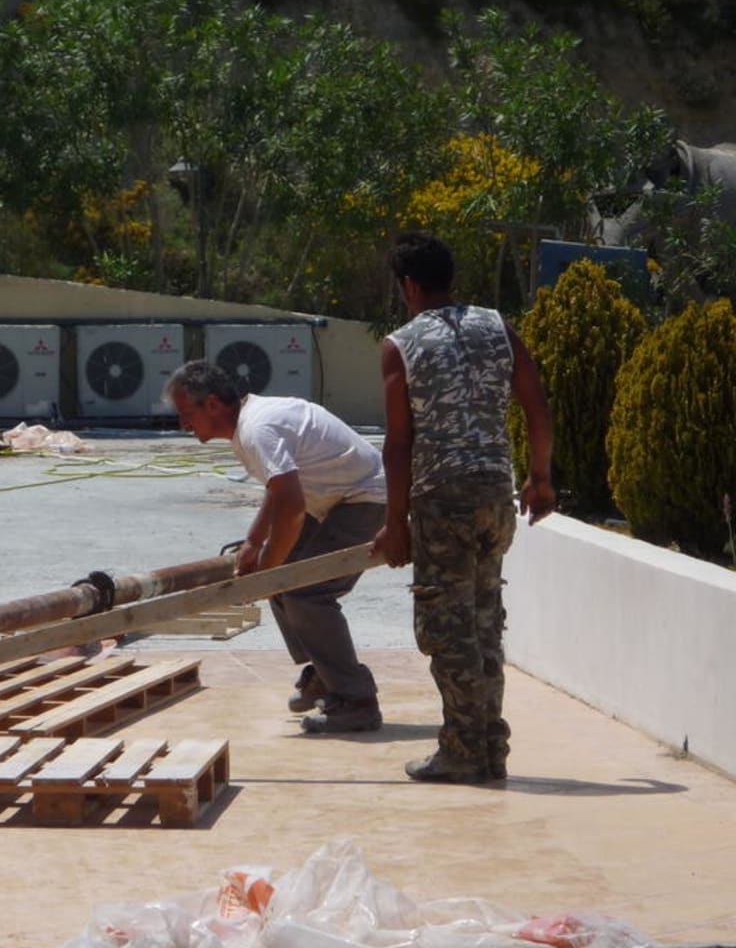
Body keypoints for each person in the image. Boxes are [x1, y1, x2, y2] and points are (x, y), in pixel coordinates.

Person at [375, 232, 556, 784]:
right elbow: (536, 406)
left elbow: (399, 443)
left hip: (442, 502)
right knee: (484, 625)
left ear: (409, 286)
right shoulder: (498, 327)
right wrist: (540, 478)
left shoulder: (401, 345)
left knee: (448, 632)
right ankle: (490, 750)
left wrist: (394, 524)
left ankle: (461, 752)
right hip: (495, 497)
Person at [165, 360, 388, 733]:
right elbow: (280, 489)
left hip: (366, 498)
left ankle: (357, 701)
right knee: (283, 579)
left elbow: (291, 505)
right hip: (335, 499)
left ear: (213, 404)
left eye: (186, 413)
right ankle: (327, 675)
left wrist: (267, 570)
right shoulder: (250, 425)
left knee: (304, 592)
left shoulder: (257, 429)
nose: (182, 424)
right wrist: (255, 543)